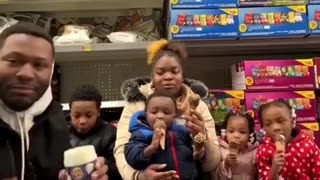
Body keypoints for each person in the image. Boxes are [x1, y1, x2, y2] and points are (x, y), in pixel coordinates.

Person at [0, 23, 107, 180]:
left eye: (39, 65)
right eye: (13, 60)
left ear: (50, 72)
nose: (27, 74)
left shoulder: (54, 120)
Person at [115, 39, 221, 180]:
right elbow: (122, 150)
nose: (168, 77)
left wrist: (203, 140)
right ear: (152, 76)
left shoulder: (197, 106)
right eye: (160, 73)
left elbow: (211, 164)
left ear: (182, 75)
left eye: (175, 72)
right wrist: (139, 176)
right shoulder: (136, 103)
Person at [125, 92, 202, 180]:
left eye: (166, 112)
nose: (160, 116)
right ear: (146, 115)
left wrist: (198, 144)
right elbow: (133, 159)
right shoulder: (141, 134)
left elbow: (196, 154)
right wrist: (151, 147)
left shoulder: (182, 131)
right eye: (154, 112)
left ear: (174, 116)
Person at [256, 100, 320, 180]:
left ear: (292, 121)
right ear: (263, 127)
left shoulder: (309, 145)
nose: (275, 128)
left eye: (281, 121)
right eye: (268, 124)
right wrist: (274, 169)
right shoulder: (263, 150)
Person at [69, 84, 122, 180]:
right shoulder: (61, 135)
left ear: (98, 112)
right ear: (70, 113)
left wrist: (106, 166)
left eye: (89, 115)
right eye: (76, 116)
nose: (82, 121)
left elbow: (123, 170)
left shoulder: (112, 134)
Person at [215, 111, 258, 180]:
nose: (236, 136)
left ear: (249, 134)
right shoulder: (220, 150)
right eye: (231, 131)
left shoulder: (255, 151)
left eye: (242, 132)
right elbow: (217, 177)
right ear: (225, 131)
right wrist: (226, 165)